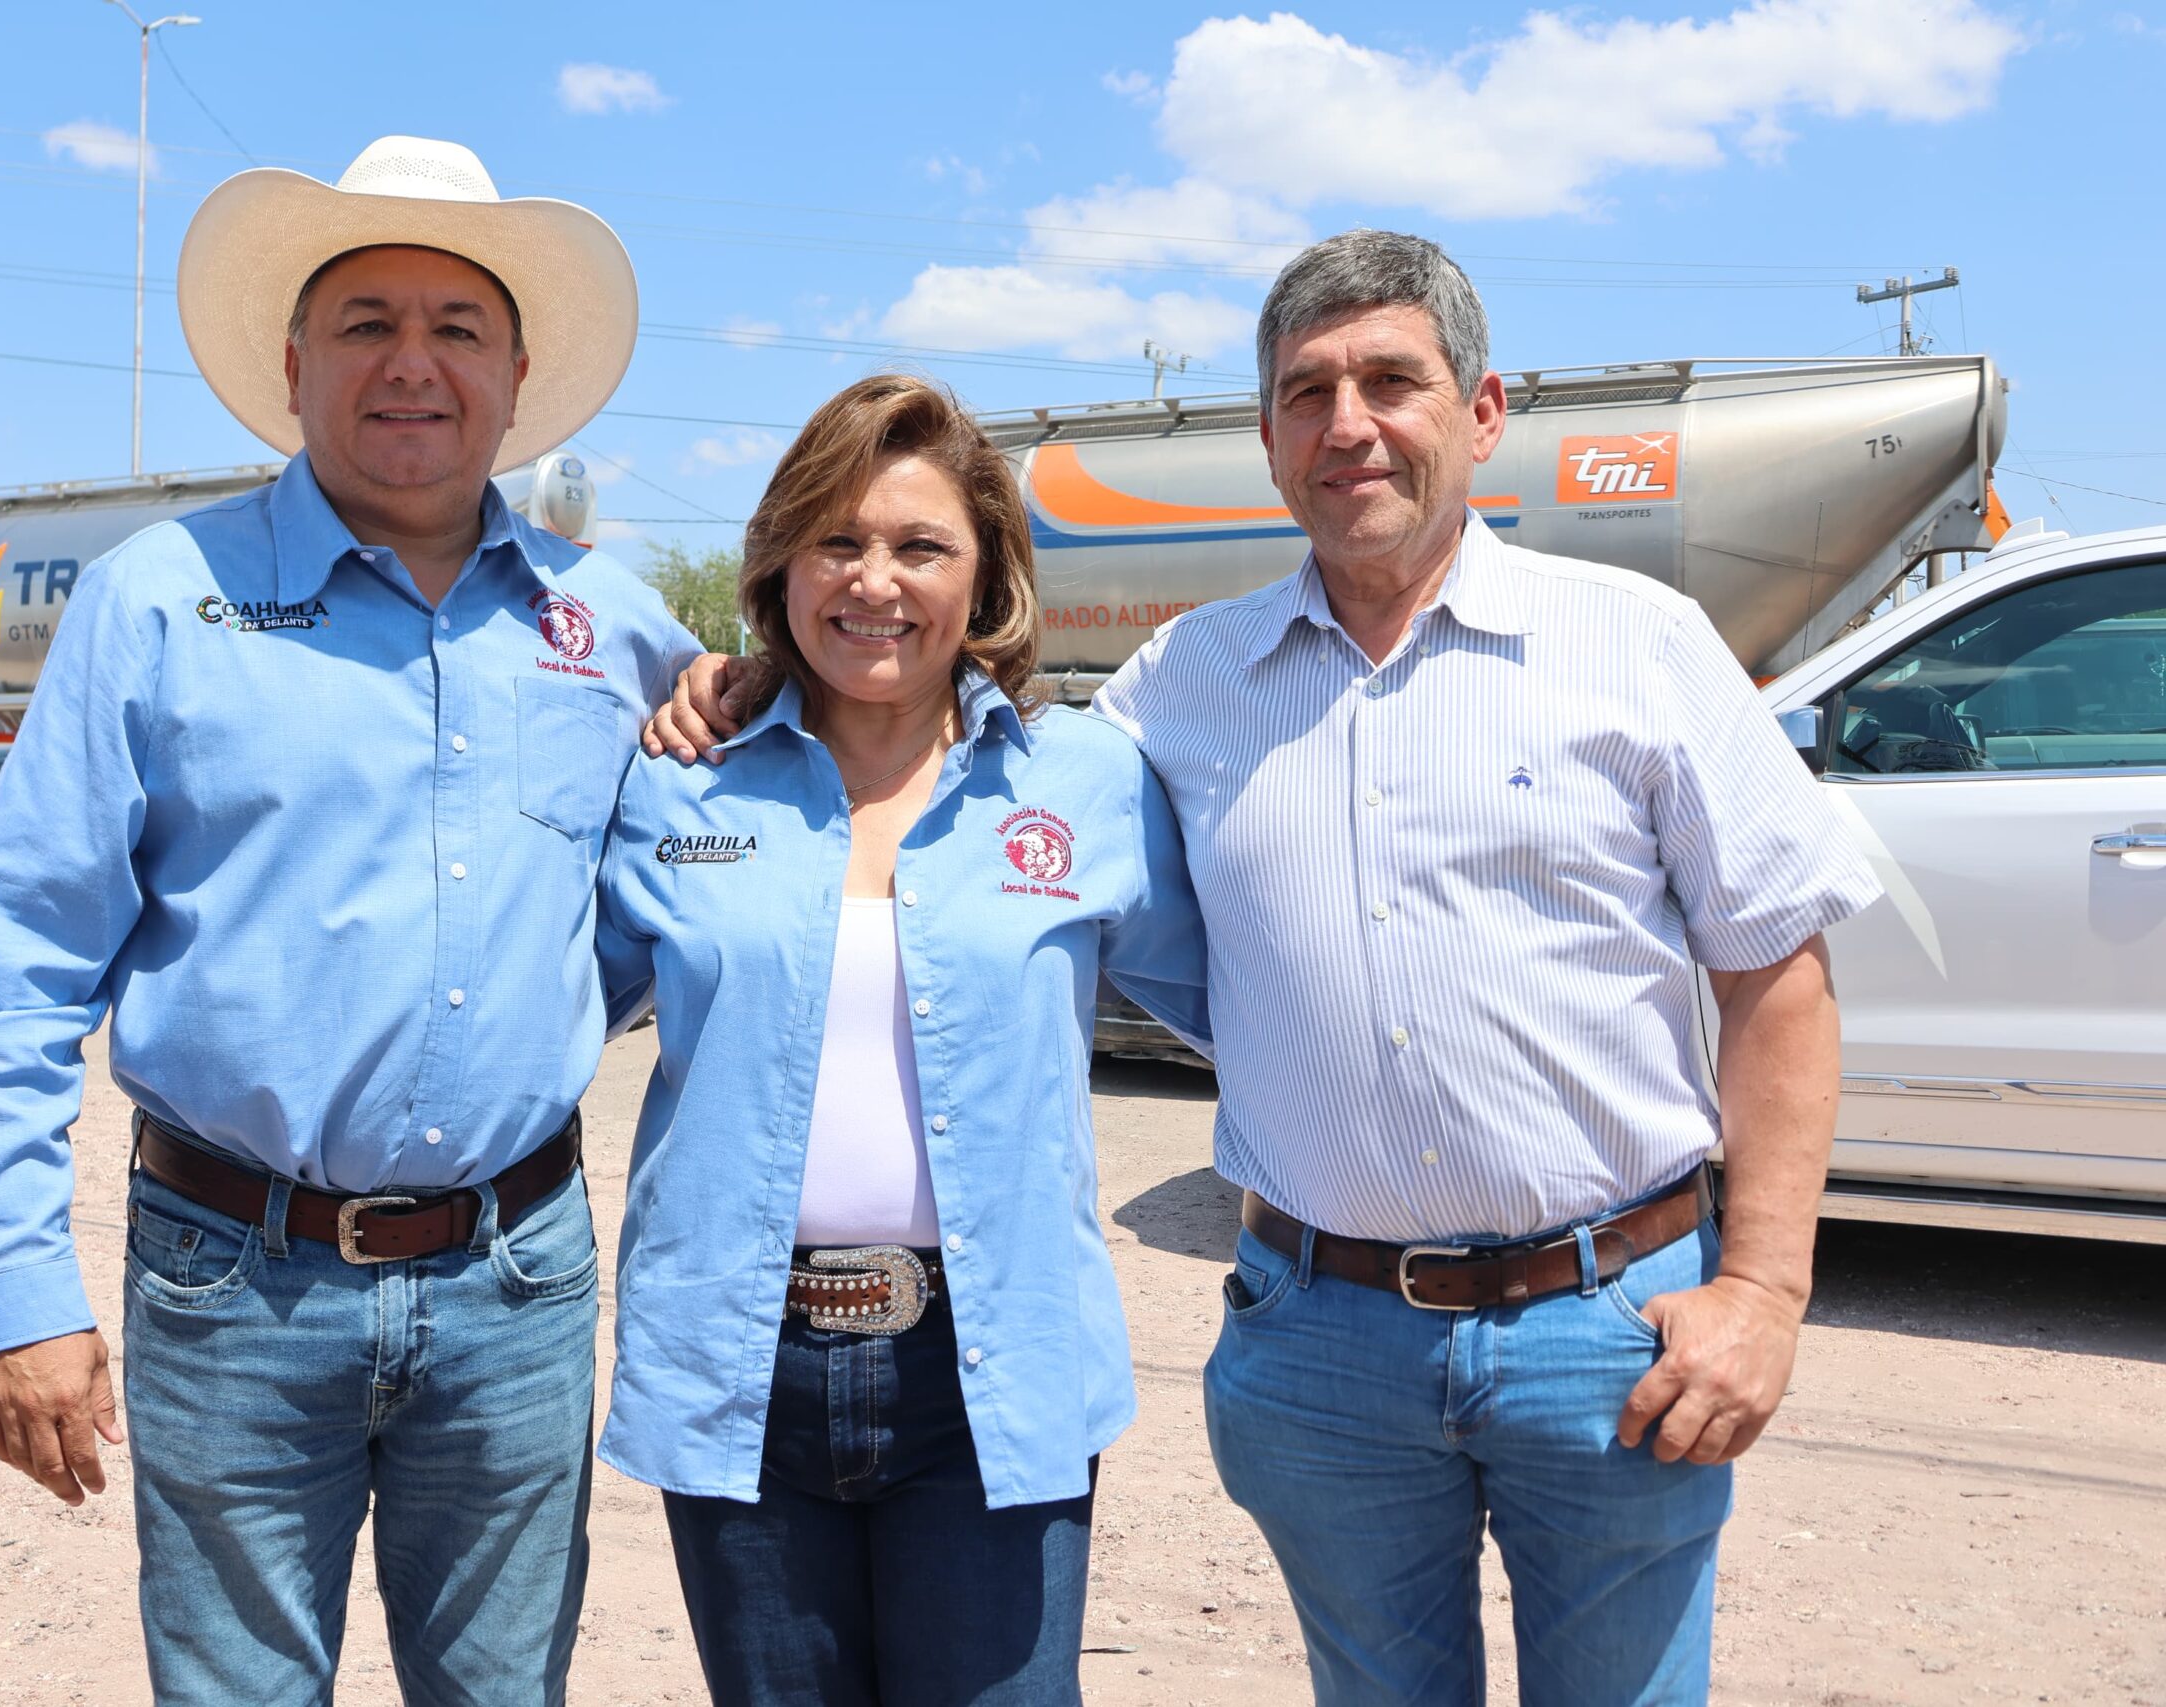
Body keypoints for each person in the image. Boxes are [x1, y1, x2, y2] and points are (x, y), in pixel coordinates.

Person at [644, 232, 1882, 1705]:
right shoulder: (1179, 691)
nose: (1348, 422)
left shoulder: (1638, 646)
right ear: (1270, 437)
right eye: (1307, 391)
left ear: (1483, 413)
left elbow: (1778, 978)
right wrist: (740, 681)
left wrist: (1765, 1287)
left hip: (1606, 1331)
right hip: (1327, 1350)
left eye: (1391, 381)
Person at [0, 136, 693, 1705]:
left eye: (457, 326)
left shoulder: (616, 631)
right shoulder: (157, 601)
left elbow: (683, 893)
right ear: (292, 364)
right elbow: (11, 967)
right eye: (366, 322)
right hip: (229, 1282)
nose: (412, 363)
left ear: (519, 375)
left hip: (519, 1286)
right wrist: (14, 1286)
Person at [595, 375, 1209, 1705]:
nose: (876, 581)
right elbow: (535, 1020)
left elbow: (1254, 1008)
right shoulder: (679, 781)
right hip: (743, 1367)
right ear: (782, 561)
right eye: (839, 539)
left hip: (991, 1369)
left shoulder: (1084, 786)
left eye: (920, 545)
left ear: (986, 575)